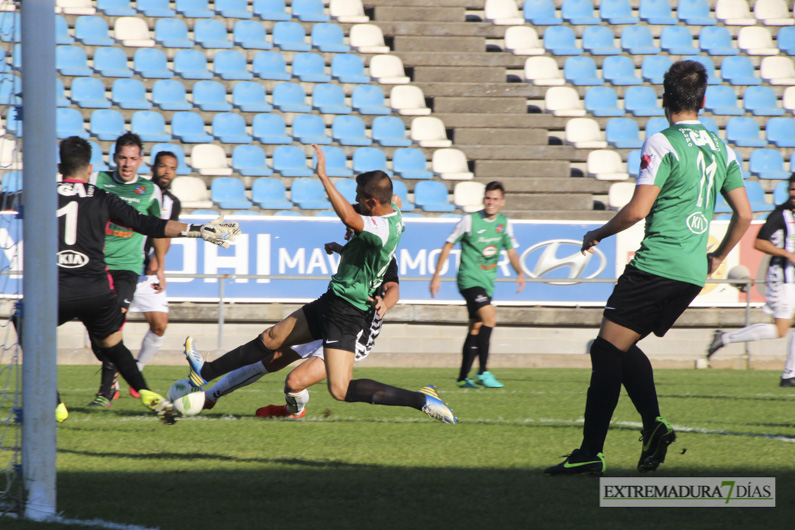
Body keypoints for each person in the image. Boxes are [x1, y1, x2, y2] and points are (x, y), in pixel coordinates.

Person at [544, 60, 752, 476]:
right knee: (622, 347)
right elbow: (744, 215)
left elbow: (638, 210)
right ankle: (653, 426)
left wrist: (598, 233)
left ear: (664, 99)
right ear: (704, 100)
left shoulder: (662, 142)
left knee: (604, 350)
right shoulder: (722, 148)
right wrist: (717, 257)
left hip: (658, 263)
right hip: (692, 273)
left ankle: (590, 452)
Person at [182, 144, 457, 424]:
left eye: (360, 198)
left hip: (349, 315)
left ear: (372, 202)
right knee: (271, 339)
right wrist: (343, 246)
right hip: (331, 302)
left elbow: (351, 218)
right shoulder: (390, 211)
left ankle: (422, 399)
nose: (356, 202)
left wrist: (323, 176)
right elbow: (384, 201)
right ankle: (205, 371)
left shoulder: (381, 230)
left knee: (341, 389)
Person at [55, 136, 240, 424]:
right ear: (92, 169)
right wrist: (198, 230)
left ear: (59, 166)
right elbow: (148, 224)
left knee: (28, 328)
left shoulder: (41, 193)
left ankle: (55, 404)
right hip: (96, 286)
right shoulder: (101, 194)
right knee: (113, 343)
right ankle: (143, 390)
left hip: (59, 287)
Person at [204, 249, 399, 418]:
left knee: (294, 382)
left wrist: (385, 304)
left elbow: (393, 288)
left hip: (354, 332)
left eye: (350, 229)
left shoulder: (382, 253)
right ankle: (209, 396)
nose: (347, 233)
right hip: (330, 318)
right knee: (272, 358)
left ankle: (293, 411)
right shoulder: (354, 245)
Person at [87, 133, 166, 407]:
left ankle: (105, 391)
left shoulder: (150, 191)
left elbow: (159, 229)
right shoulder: (97, 181)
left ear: (141, 160)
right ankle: (115, 373)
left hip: (127, 269)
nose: (127, 164)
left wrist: (161, 266)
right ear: (114, 157)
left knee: (113, 324)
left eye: (133, 158)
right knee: (100, 340)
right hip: (94, 265)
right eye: (122, 157)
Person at [429, 182, 525, 389]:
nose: (491, 202)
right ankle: (483, 372)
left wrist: (520, 272)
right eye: (488, 198)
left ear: (502, 202)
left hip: (487, 283)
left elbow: (511, 251)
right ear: (484, 199)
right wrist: (436, 275)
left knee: (476, 327)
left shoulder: (504, 223)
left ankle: (463, 377)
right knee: (490, 318)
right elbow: (448, 245)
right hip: (469, 280)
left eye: (495, 199)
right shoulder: (469, 221)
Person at [707, 173, 795, 387]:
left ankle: (789, 375)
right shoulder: (780, 215)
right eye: (792, 189)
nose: (793, 193)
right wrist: (787, 254)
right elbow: (759, 242)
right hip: (782, 278)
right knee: (780, 330)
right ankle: (726, 337)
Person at [126, 151, 182, 398]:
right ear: (153, 167)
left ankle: (135, 370)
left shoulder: (173, 203)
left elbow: (166, 234)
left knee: (160, 325)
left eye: (172, 168)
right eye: (163, 166)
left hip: (149, 274)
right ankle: (107, 388)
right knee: (111, 327)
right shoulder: (140, 192)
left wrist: (159, 264)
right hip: (124, 267)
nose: (167, 172)